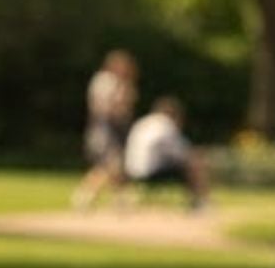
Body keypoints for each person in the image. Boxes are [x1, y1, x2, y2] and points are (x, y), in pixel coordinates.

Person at [72, 50, 138, 210]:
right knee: (110, 164)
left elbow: (128, 106)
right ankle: (86, 196)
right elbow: (104, 108)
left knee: (114, 164)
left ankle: (118, 198)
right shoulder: (104, 80)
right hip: (103, 127)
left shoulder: (122, 83)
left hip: (116, 128)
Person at [123, 97, 211, 210]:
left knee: (190, 163)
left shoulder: (144, 122)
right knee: (193, 164)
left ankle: (198, 202)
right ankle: (200, 202)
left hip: (131, 170)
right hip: (150, 172)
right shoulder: (165, 124)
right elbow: (182, 154)